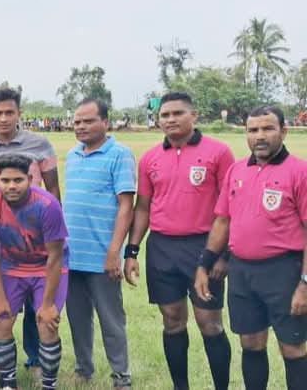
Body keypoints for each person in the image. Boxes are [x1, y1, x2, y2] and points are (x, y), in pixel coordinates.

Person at [125, 92, 234, 390]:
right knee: (172, 320)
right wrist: (132, 251)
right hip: (162, 248)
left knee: (209, 322)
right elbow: (143, 208)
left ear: (193, 116)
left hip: (204, 247)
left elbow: (231, 208)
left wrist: (225, 255)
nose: (170, 120)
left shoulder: (219, 152)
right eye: (165, 115)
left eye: (177, 113)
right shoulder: (150, 158)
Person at [194, 106, 307, 390]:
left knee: (292, 347)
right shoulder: (237, 170)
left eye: (268, 128)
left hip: (284, 271)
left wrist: (305, 284)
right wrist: (204, 264)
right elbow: (223, 221)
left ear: (284, 131)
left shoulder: (300, 172)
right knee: (251, 343)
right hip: (242, 272)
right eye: (253, 130)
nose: (260, 136)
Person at [0, 88, 50, 374]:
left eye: (9, 112)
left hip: (32, 240)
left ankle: (36, 360)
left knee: (33, 300)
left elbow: (53, 191)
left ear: (19, 114)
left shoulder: (39, 144)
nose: (3, 118)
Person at [0, 153, 69, 390]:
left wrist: (47, 304)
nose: (12, 186)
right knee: (0, 319)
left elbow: (55, 256)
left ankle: (49, 384)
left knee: (46, 323)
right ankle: (8, 382)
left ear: (30, 179)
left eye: (18, 180)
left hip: (46, 267)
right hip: (11, 266)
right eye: (6, 181)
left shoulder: (48, 205)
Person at [63, 98, 135, 389]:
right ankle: (84, 369)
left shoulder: (120, 154)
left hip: (102, 256)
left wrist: (114, 252)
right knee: (78, 318)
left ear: (105, 122)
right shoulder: (72, 155)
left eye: (88, 121)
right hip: (72, 255)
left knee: (111, 320)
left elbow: (126, 206)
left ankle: (121, 376)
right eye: (77, 121)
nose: (81, 126)